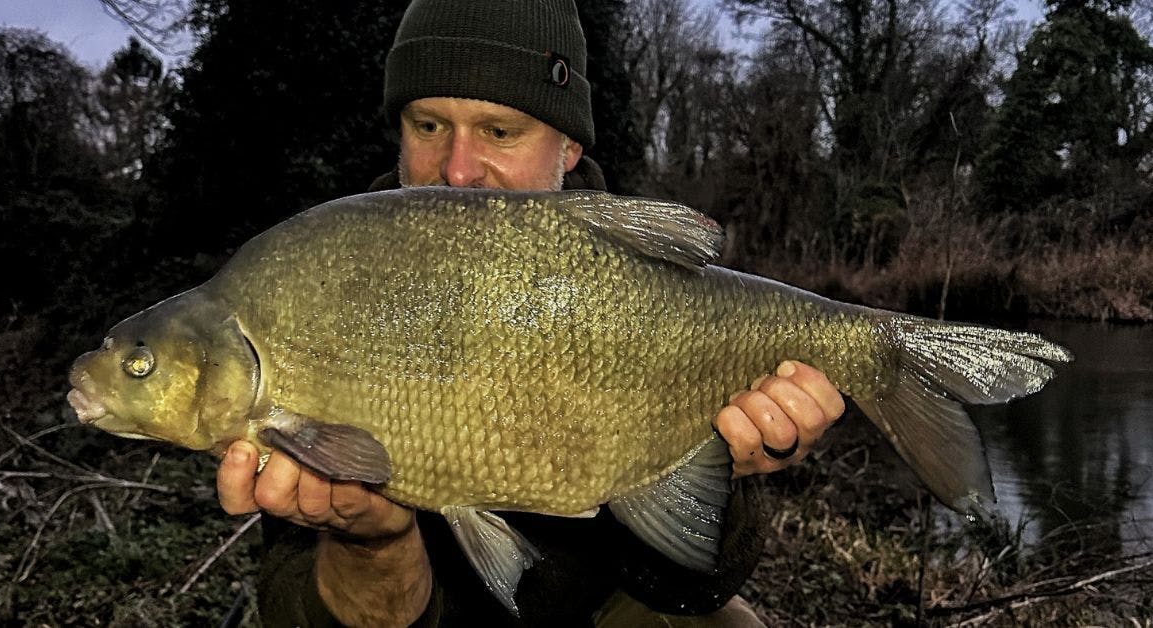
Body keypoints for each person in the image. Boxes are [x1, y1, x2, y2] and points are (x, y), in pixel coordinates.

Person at [216, 1, 846, 625]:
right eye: (429, 125)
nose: (458, 171)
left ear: (569, 146)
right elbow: (290, 602)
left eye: (499, 132)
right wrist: (372, 544)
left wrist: (720, 463)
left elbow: (695, 589)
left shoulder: (632, 285)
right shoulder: (327, 278)